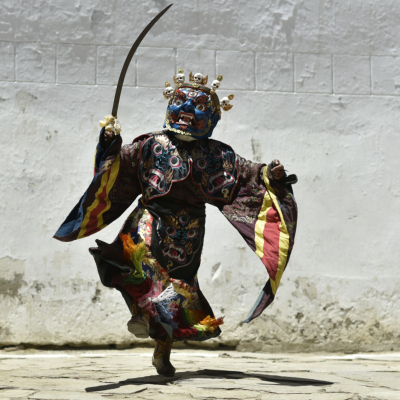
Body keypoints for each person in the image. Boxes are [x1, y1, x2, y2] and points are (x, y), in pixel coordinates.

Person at [54, 69, 298, 377]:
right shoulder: (150, 145)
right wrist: (108, 144)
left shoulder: (218, 154)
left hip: (189, 232)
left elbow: (248, 176)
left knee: (176, 295)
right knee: (139, 270)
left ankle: (162, 348)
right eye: (181, 102)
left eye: (198, 106)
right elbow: (117, 168)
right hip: (148, 220)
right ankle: (142, 313)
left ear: (212, 117)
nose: (187, 111)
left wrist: (271, 175)